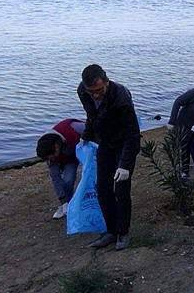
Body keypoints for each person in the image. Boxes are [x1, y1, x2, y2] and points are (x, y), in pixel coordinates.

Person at [78, 64, 141, 250]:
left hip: (125, 143)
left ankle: (123, 232)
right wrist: (86, 136)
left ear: (106, 82)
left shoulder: (121, 97)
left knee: (121, 189)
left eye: (98, 91)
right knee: (103, 188)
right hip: (105, 141)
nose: (95, 95)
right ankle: (111, 231)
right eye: (91, 92)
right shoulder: (83, 91)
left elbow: (133, 133)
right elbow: (91, 115)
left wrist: (125, 165)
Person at [36, 118, 85, 219]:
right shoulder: (45, 148)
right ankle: (66, 205)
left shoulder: (73, 128)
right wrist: (63, 201)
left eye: (52, 156)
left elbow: (95, 129)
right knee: (57, 178)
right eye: (49, 159)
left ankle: (72, 203)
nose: (51, 159)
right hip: (66, 156)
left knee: (69, 180)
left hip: (72, 156)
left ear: (56, 146)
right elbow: (55, 178)